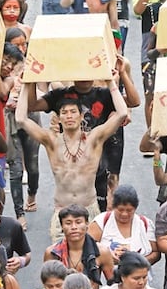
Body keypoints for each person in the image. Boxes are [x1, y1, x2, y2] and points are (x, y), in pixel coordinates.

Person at [16, 77, 129, 241]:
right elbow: (20, 118)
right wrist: (27, 82)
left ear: (82, 115)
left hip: (89, 209)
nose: (69, 116)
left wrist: (111, 81)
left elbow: (122, 113)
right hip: (62, 210)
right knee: (60, 263)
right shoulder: (51, 141)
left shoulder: (94, 138)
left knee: (91, 261)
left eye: (73, 112)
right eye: (64, 112)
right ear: (59, 117)